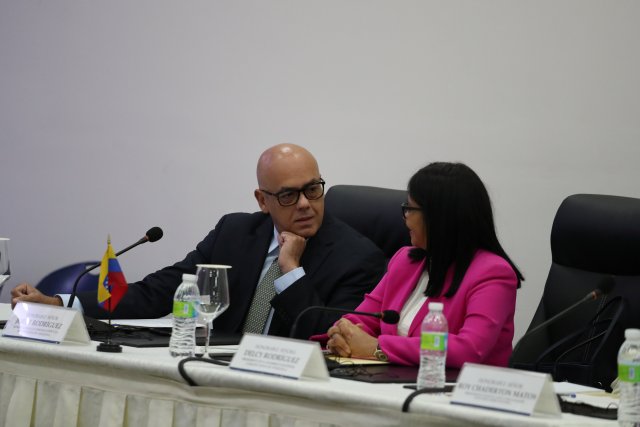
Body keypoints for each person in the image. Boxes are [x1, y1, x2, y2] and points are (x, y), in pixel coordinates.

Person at [11, 144, 386, 338]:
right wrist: (63, 303)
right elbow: (159, 291)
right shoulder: (236, 233)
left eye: (313, 189)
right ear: (261, 201)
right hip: (216, 376)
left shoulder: (359, 257)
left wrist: (289, 270)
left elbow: (328, 338)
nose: (305, 204)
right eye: (289, 195)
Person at [325, 162, 524, 367]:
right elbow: (363, 318)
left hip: (456, 390)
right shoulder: (405, 260)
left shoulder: (493, 273)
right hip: (394, 380)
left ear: (438, 217)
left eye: (410, 209)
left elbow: (468, 348)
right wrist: (343, 333)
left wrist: (379, 348)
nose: (405, 217)